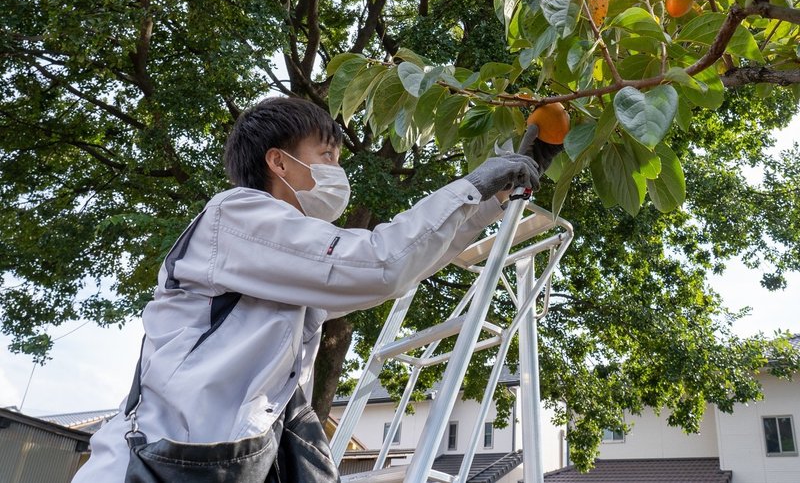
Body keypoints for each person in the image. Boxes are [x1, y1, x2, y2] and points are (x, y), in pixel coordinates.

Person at [72, 96, 559, 482]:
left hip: (207, 458)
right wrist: (472, 186)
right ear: (279, 163)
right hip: (156, 462)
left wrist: (494, 195)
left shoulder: (277, 256)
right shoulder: (238, 214)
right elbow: (378, 265)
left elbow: (404, 261)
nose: (336, 169)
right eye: (326, 155)